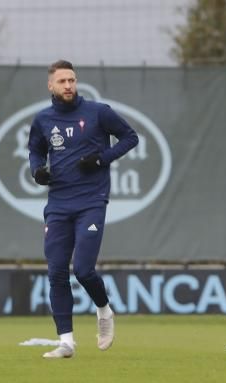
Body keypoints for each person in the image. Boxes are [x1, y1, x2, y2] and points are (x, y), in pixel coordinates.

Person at [27, 60, 139, 359]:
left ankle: (103, 310)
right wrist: (37, 170)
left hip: (91, 200)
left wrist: (102, 159)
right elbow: (36, 150)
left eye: (72, 80)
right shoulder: (43, 119)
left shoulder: (98, 112)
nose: (68, 86)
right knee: (56, 272)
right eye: (62, 81)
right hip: (58, 204)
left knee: (84, 269)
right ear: (50, 86)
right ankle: (66, 342)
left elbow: (131, 137)